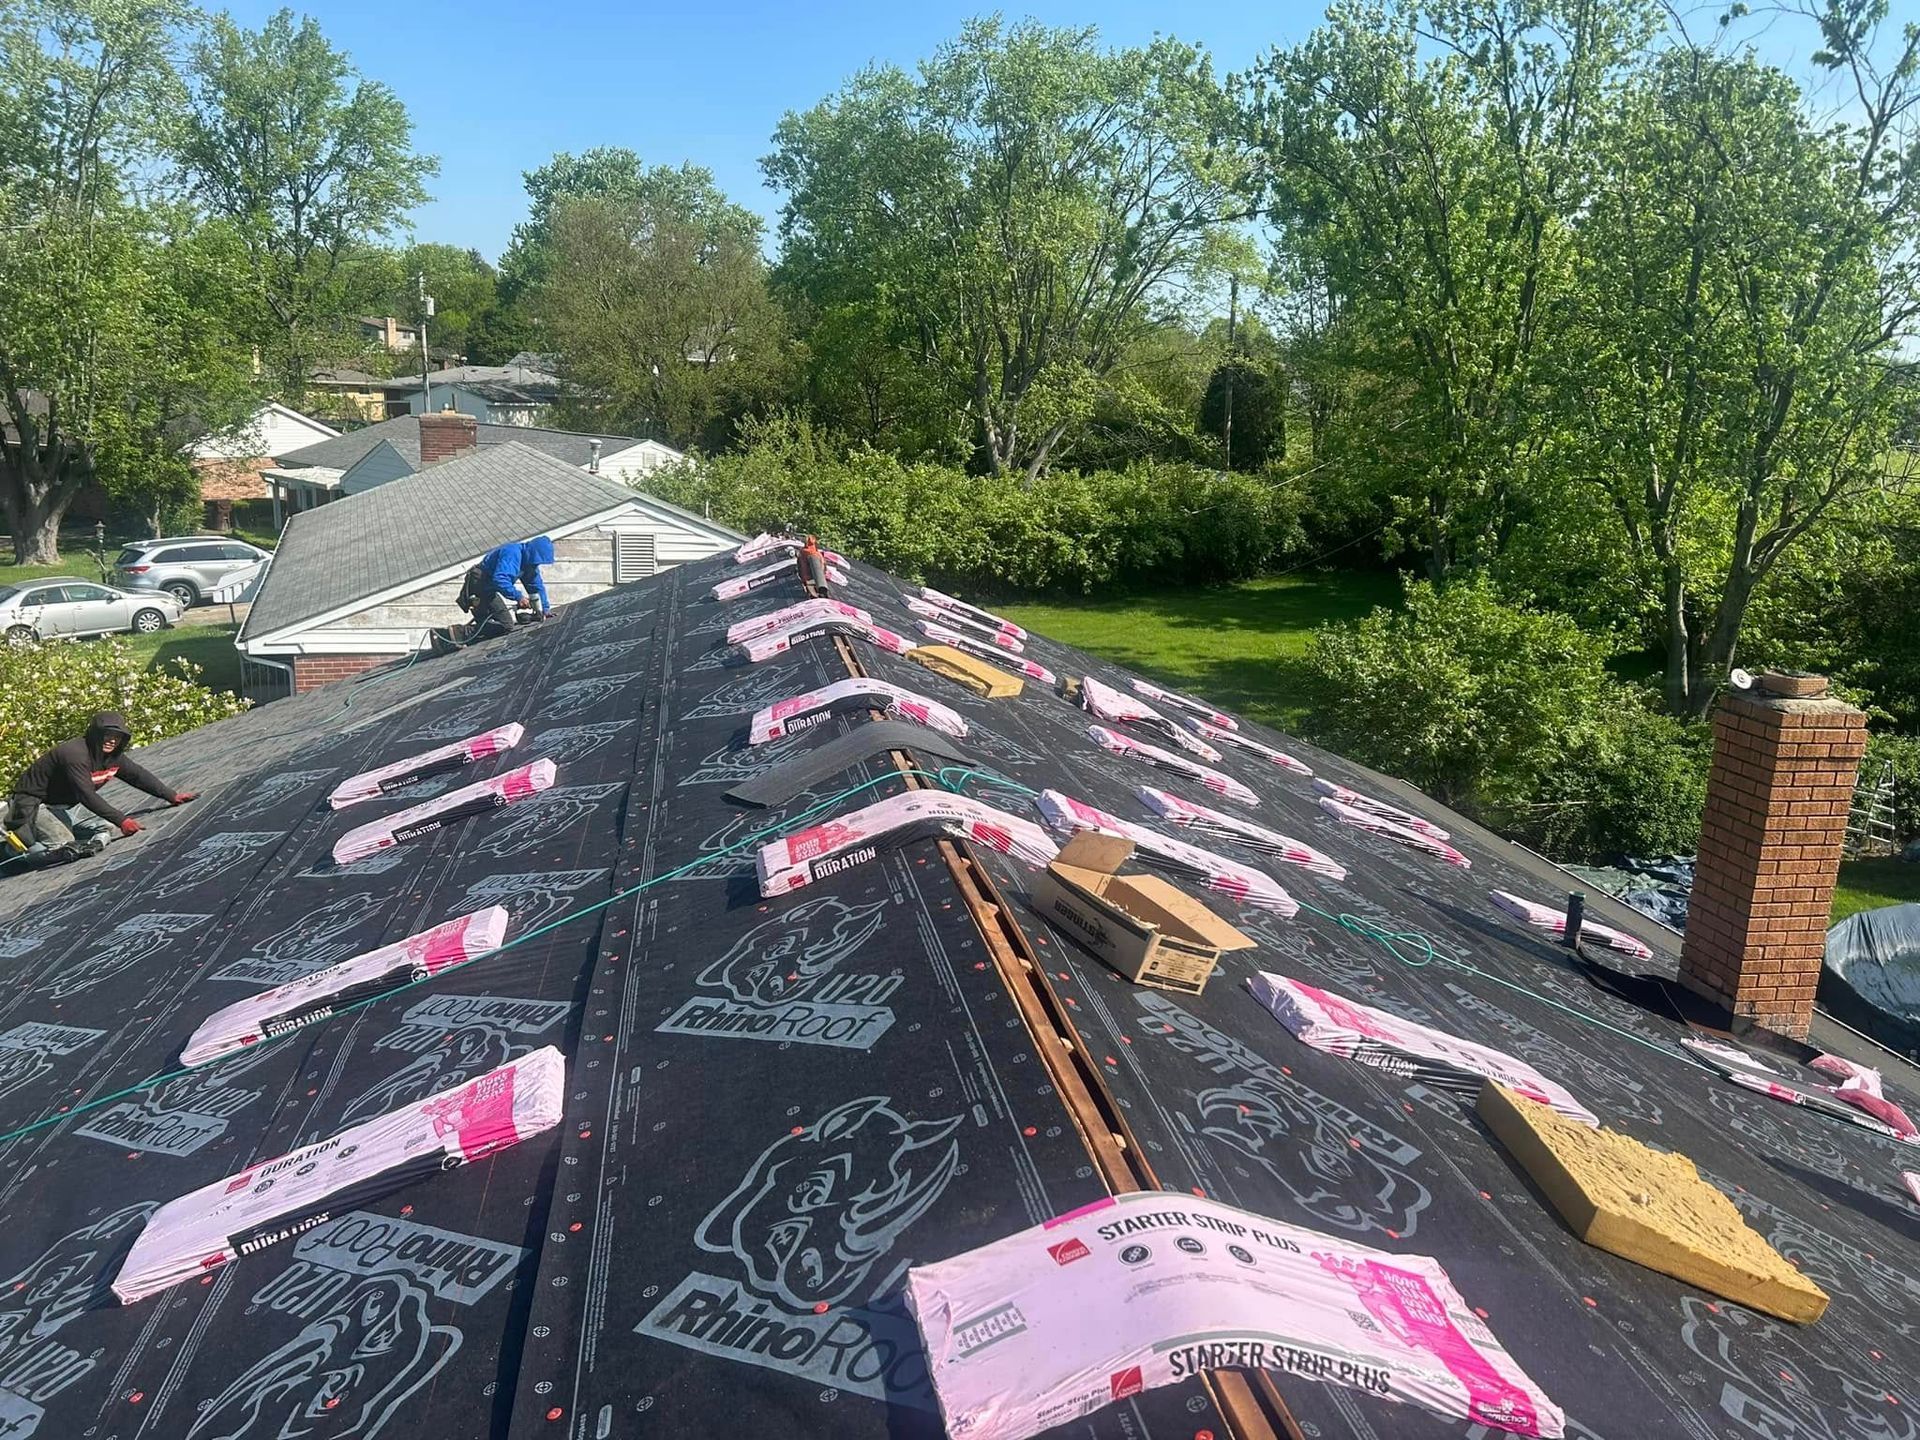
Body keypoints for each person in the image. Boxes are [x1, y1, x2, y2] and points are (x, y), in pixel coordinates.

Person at [5, 712, 196, 859]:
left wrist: (171, 795)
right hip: (33, 805)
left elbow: (138, 776)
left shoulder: (113, 757)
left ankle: (72, 843)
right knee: (64, 846)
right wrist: (122, 820)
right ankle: (12, 855)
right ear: (96, 734)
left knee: (105, 828)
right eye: (107, 734)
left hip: (61, 807)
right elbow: (86, 795)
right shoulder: (74, 754)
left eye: (117, 737)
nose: (112, 740)